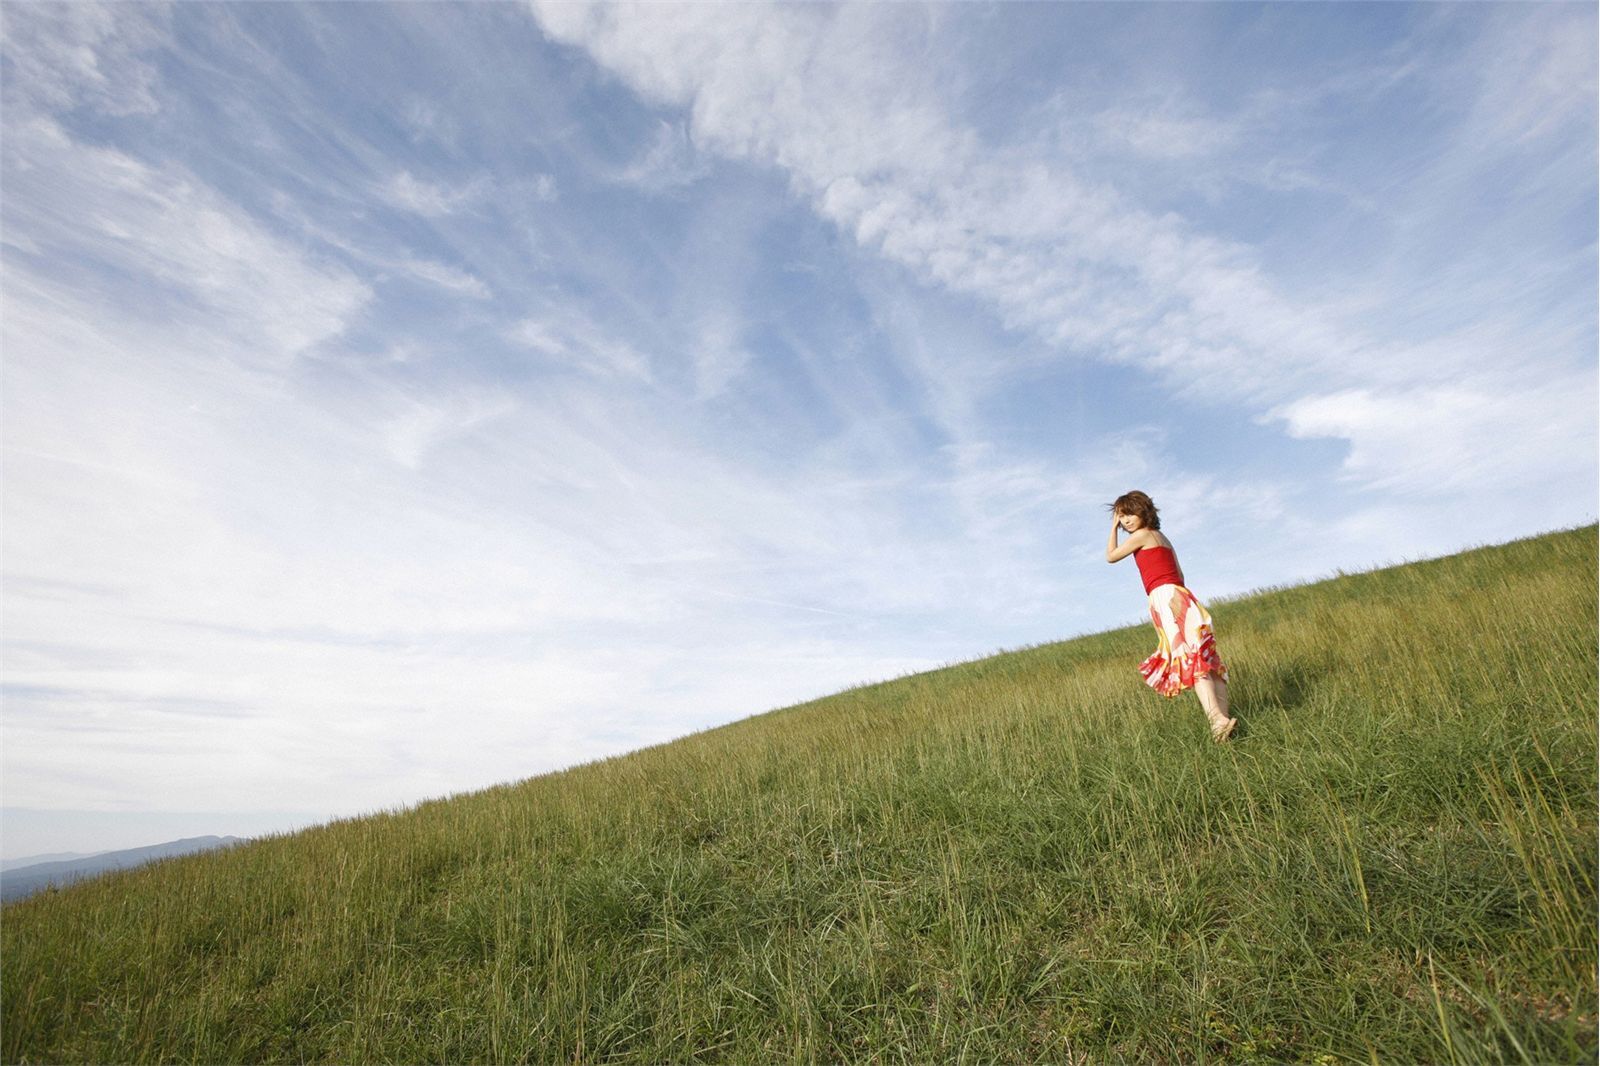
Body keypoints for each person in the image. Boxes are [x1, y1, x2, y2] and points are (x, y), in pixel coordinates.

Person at [1105, 490, 1237, 742]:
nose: (1125, 521)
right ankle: (1222, 721)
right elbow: (1180, 573)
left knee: (1191, 659)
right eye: (1121, 517)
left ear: (1144, 511)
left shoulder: (1141, 536)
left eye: (1129, 514)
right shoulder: (1163, 538)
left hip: (1166, 598)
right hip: (1182, 595)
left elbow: (1111, 556)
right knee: (1205, 658)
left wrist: (1112, 528)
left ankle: (1217, 720)